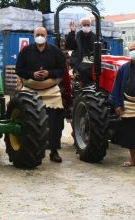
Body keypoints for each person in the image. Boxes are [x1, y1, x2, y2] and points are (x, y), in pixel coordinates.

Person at [15, 26, 66, 162]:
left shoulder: (55, 51)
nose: (40, 36)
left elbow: (62, 70)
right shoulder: (25, 51)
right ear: (33, 36)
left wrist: (50, 73)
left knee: (55, 123)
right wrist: (32, 74)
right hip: (30, 89)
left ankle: (54, 151)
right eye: (37, 34)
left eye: (42, 34)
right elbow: (19, 70)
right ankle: (30, 149)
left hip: (51, 91)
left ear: (46, 36)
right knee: (28, 121)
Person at [66, 18, 95, 85]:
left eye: (88, 25)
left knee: (86, 68)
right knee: (82, 68)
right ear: (81, 26)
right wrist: (72, 32)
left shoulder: (95, 36)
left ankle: (89, 84)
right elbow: (70, 46)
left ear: (90, 25)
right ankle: (85, 85)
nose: (86, 26)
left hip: (90, 58)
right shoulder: (77, 35)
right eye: (84, 25)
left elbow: (97, 51)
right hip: (78, 58)